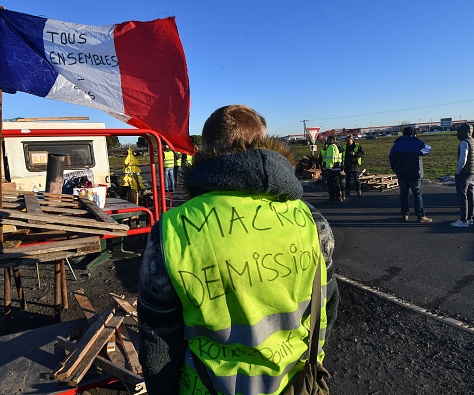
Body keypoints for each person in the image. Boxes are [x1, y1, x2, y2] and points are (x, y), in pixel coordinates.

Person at [138, 104, 339, 395]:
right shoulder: (312, 221)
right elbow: (327, 310)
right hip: (296, 384)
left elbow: (158, 339)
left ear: (205, 149)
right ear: (263, 139)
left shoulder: (173, 229)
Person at [388, 127, 433, 223]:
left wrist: (396, 170)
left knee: (404, 195)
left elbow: (391, 158)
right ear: (413, 133)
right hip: (414, 174)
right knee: (417, 195)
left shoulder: (397, 144)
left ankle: (404, 215)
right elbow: (428, 149)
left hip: (402, 174)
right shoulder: (416, 142)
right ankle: (420, 216)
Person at [451, 123, 474, 228]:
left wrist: (457, 172)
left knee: (462, 196)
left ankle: (463, 220)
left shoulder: (465, 142)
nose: (457, 134)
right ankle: (470, 218)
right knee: (471, 195)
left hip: (464, 173)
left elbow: (463, 159)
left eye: (458, 132)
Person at [324, 135, 345, 202]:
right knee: (337, 183)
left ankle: (332, 197)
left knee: (331, 184)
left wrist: (328, 169)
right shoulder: (338, 147)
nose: (326, 141)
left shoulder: (331, 147)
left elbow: (330, 159)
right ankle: (339, 196)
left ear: (331, 140)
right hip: (338, 167)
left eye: (328, 139)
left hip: (332, 169)